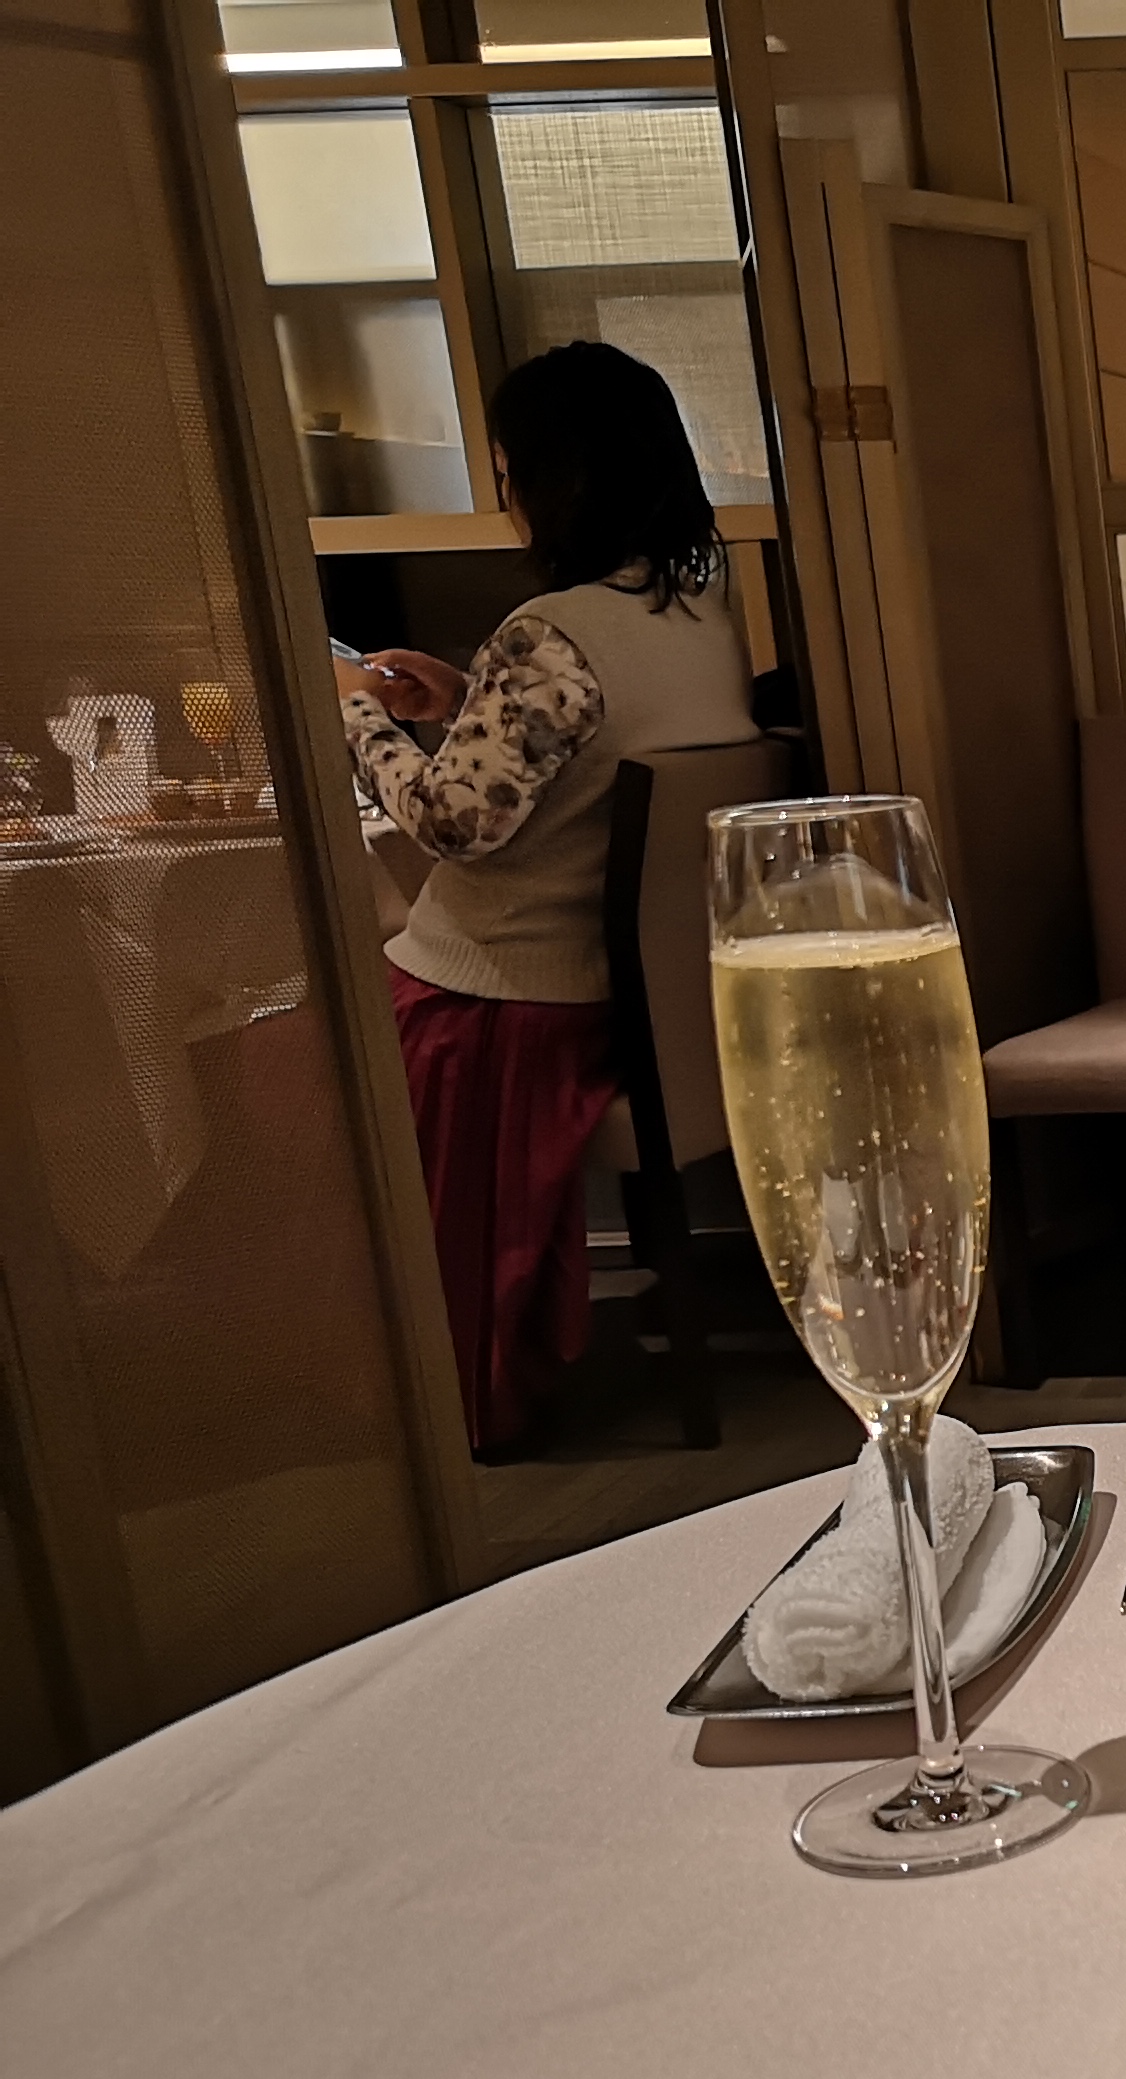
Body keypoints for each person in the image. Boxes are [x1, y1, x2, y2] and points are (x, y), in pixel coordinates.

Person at [336, 341, 757, 1456]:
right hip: (628, 1000)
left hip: (502, 1002)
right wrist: (464, 699)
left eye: (508, 471)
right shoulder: (703, 618)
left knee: (286, 1060)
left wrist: (355, 714)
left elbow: (451, 826)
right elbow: (595, 752)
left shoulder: (552, 631)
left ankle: (374, 1390)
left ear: (551, 477)